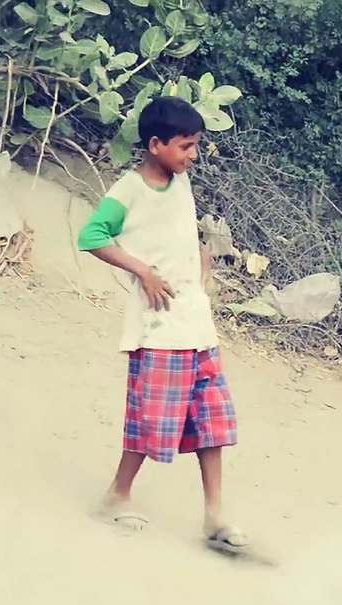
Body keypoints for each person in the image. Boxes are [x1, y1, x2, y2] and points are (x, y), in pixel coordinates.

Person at [75, 95, 248, 552]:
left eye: (195, 146)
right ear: (155, 145)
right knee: (151, 421)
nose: (193, 155)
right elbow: (91, 235)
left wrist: (199, 265)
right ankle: (117, 495)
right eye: (186, 146)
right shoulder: (128, 190)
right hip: (160, 327)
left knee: (212, 420)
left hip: (197, 324)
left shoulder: (180, 180)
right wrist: (143, 271)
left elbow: (174, 232)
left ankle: (215, 516)